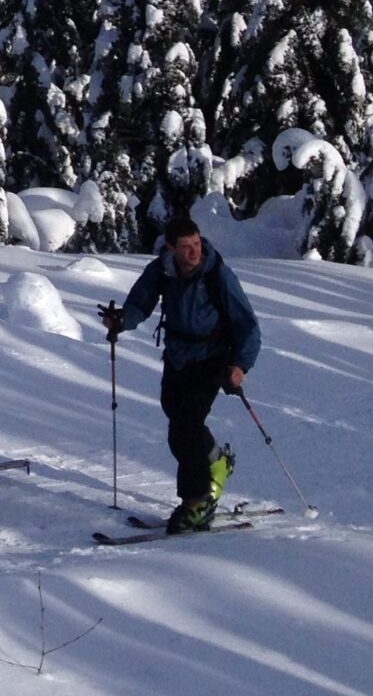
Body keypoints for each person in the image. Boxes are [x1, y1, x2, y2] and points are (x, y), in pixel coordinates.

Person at [100, 215, 263, 532]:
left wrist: (240, 365)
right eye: (186, 247)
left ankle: (197, 502)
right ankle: (216, 460)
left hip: (212, 357)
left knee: (186, 426)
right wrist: (120, 321)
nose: (194, 253)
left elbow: (248, 325)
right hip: (177, 357)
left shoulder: (218, 275)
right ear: (170, 248)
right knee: (176, 420)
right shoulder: (161, 270)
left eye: (197, 244)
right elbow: (139, 304)